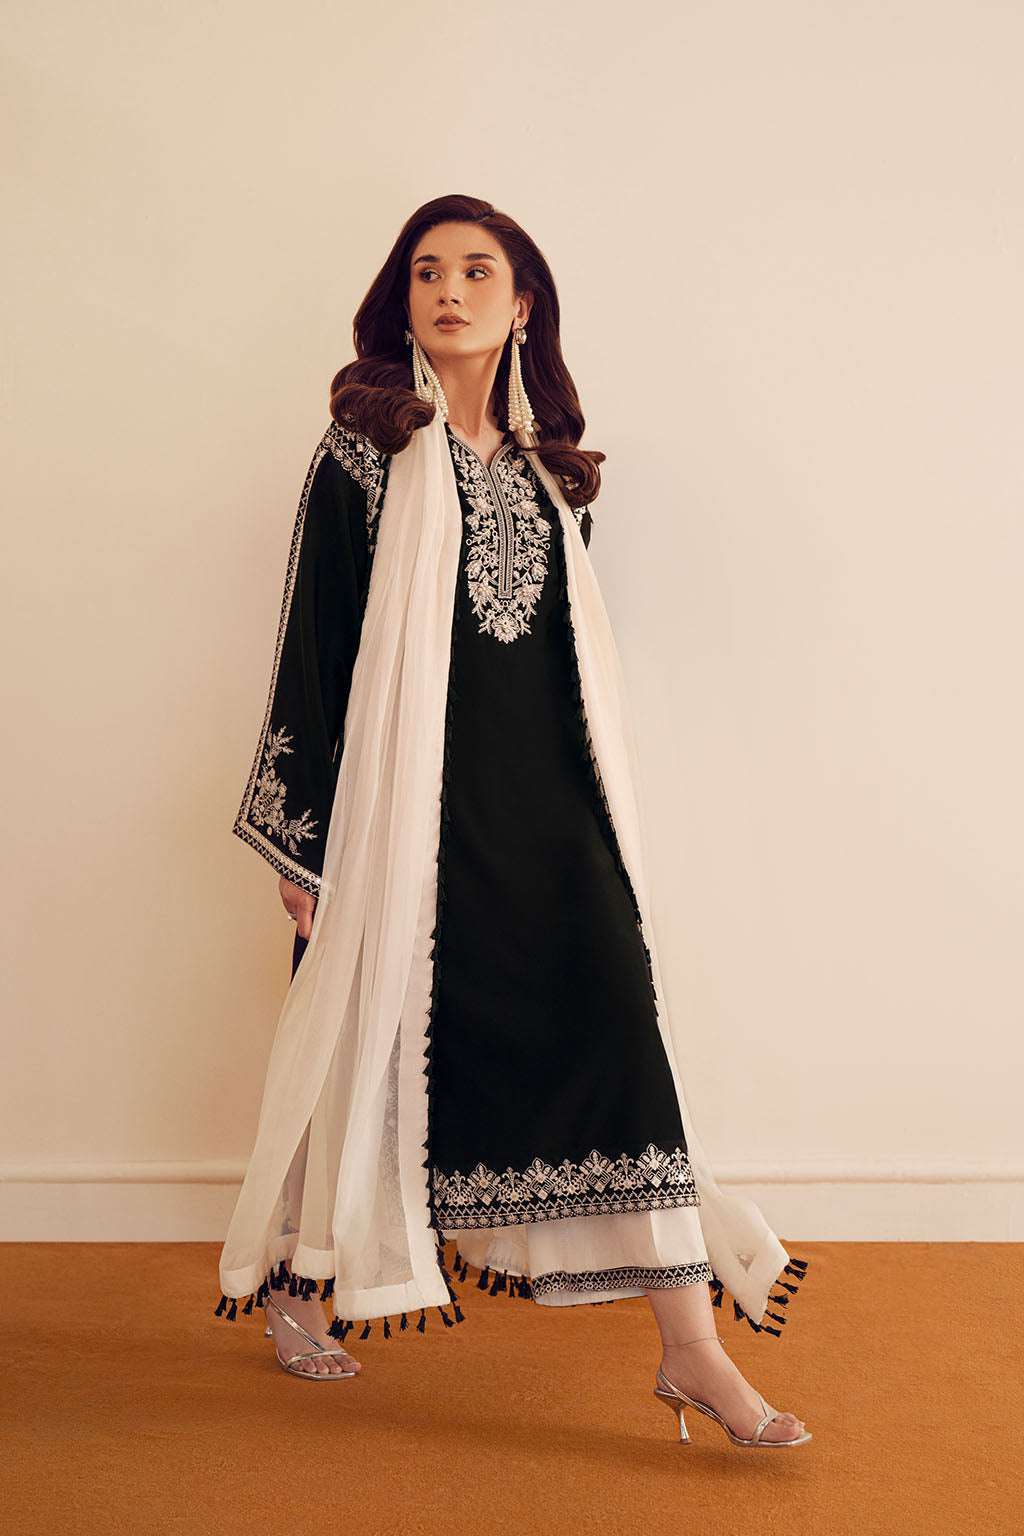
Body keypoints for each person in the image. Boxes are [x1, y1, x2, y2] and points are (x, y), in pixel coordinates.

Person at [215, 194, 812, 1448]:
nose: (449, 291)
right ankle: (298, 1280)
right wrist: (303, 837)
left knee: (617, 1029)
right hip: (404, 813)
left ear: (522, 300)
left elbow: (564, 667)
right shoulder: (358, 456)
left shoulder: (554, 479)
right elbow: (313, 653)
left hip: (549, 815)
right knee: (365, 1041)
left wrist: (592, 832)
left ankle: (690, 1350)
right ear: (403, 302)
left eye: (477, 271)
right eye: (425, 272)